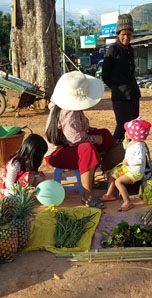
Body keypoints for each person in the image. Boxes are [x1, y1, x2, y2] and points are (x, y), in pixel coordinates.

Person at [44, 71, 117, 209]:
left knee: (105, 134)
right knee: (87, 149)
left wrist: (97, 134)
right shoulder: (69, 111)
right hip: (57, 154)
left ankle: (94, 178)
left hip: (68, 145)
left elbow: (78, 129)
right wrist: (95, 139)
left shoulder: (66, 106)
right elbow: (75, 138)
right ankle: (87, 195)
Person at [102, 14, 141, 141]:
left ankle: (130, 155)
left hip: (133, 94)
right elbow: (105, 75)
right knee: (122, 127)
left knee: (133, 127)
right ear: (118, 34)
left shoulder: (131, 50)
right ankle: (113, 155)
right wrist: (116, 86)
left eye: (129, 34)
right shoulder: (113, 50)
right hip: (120, 96)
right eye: (123, 34)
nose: (126, 37)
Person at [101, 117, 151, 212]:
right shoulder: (133, 142)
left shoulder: (140, 146)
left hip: (135, 172)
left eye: (127, 131)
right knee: (112, 174)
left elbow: (140, 160)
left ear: (133, 134)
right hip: (128, 168)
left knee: (118, 182)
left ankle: (127, 201)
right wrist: (125, 139)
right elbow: (126, 147)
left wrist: (128, 162)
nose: (126, 132)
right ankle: (109, 194)